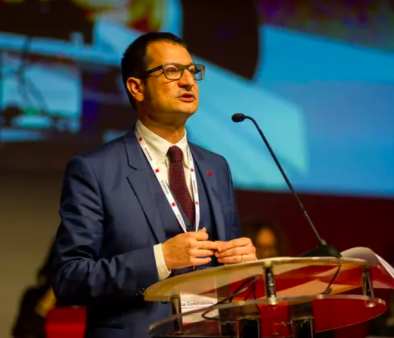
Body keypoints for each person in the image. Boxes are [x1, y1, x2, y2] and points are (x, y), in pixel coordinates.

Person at [51, 32, 257, 338]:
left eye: (192, 71)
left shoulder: (217, 166)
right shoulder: (94, 170)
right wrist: (160, 259)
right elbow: (69, 278)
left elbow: (227, 272)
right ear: (136, 87)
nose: (188, 81)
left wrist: (242, 263)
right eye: (172, 71)